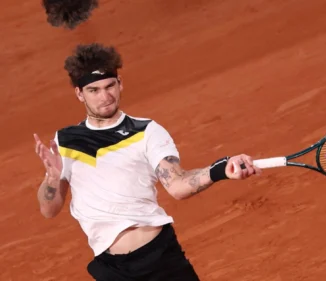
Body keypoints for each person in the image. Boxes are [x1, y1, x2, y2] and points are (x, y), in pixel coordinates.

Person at [33, 43, 262, 281]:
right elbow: (49, 210)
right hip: (112, 269)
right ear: (80, 94)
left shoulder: (146, 132)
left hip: (159, 260)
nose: (105, 97)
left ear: (120, 83)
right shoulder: (66, 141)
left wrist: (219, 170)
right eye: (94, 90)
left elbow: (177, 185)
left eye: (110, 86)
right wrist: (51, 178)